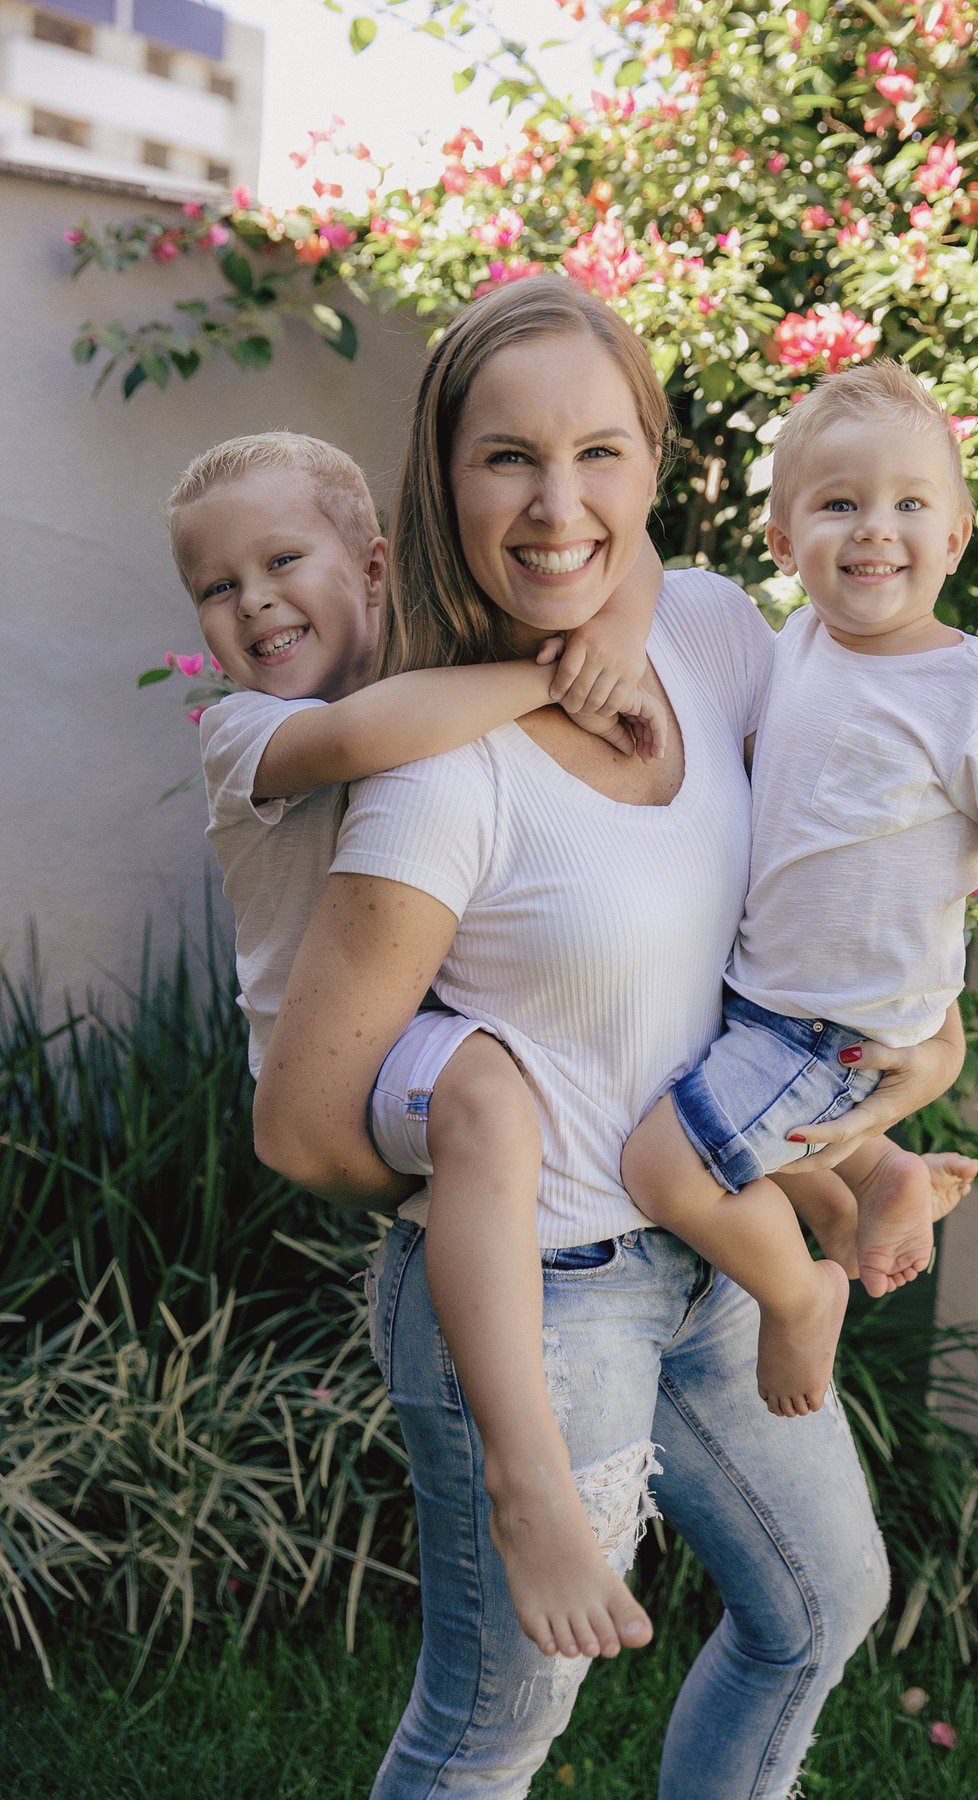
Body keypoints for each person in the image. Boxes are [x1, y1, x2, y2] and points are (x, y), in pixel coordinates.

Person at [253, 277, 973, 1798]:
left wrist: (934, 1029)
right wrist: (511, 1172)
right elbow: (302, 1125)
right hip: (555, 1303)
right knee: (494, 1731)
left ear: (653, 461)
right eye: (506, 456)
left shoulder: (711, 632)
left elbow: (855, 823)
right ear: (443, 484)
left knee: (820, 1604)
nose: (556, 503)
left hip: (723, 1245)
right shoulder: (440, 775)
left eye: (598, 453)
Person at [168, 430, 669, 1660]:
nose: (255, 602)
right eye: (217, 588)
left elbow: (641, 549)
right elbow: (362, 739)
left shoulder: (442, 662)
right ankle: (528, 1481)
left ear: (378, 565)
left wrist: (611, 632)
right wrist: (569, 673)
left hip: (443, 1035)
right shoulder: (243, 733)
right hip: (346, 1070)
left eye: (283, 559)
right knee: (493, 1098)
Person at [623, 360, 978, 1420]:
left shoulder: (975, 686)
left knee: (662, 1165)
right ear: (786, 546)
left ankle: (799, 1297)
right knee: (748, 1127)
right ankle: (882, 1179)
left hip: (836, 1027)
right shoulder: (793, 645)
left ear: (958, 536)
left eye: (911, 504)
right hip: (765, 1000)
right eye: (840, 504)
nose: (877, 529)